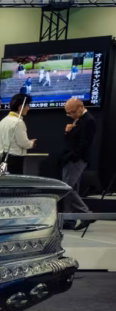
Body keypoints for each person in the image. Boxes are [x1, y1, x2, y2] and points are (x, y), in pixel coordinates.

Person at [59, 96, 96, 230]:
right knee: (71, 189)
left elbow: (84, 143)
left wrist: (73, 156)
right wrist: (67, 132)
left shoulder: (88, 120)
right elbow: (71, 141)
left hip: (77, 159)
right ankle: (69, 219)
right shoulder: (79, 120)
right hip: (73, 158)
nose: (71, 115)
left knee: (67, 189)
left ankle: (86, 214)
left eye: (72, 111)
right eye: (68, 113)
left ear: (81, 107)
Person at [0, 91, 35, 175]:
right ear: (20, 107)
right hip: (15, 160)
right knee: (15, 184)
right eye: (27, 106)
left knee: (4, 183)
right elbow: (23, 143)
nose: (28, 108)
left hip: (2, 158)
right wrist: (31, 143)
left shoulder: (2, 121)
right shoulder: (18, 122)